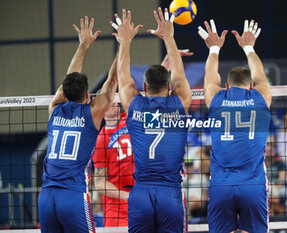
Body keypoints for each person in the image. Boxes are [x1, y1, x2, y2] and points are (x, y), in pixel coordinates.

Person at [38, 16, 119, 233]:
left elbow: (68, 79)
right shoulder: (92, 114)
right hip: (72, 196)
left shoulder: (54, 109)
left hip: (45, 197)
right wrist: (125, 44)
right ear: (87, 93)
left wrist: (83, 46)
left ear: (63, 93)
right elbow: (111, 82)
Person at [114, 8, 192, 232]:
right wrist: (169, 37)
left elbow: (122, 74)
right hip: (170, 193)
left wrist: (125, 41)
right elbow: (179, 74)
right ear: (169, 87)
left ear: (144, 87)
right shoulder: (179, 104)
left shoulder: (134, 105)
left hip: (141, 193)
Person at [198, 19, 271, 232]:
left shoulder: (217, 98)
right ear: (250, 86)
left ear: (226, 85)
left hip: (222, 185)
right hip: (253, 185)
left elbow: (210, 79)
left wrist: (213, 48)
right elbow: (261, 77)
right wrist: (249, 47)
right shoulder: (260, 98)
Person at [92, 102, 134, 227]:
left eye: (115, 100)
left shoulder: (131, 119)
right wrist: (127, 196)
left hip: (143, 197)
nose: (114, 102)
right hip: (116, 206)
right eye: (109, 101)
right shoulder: (101, 139)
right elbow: (99, 183)